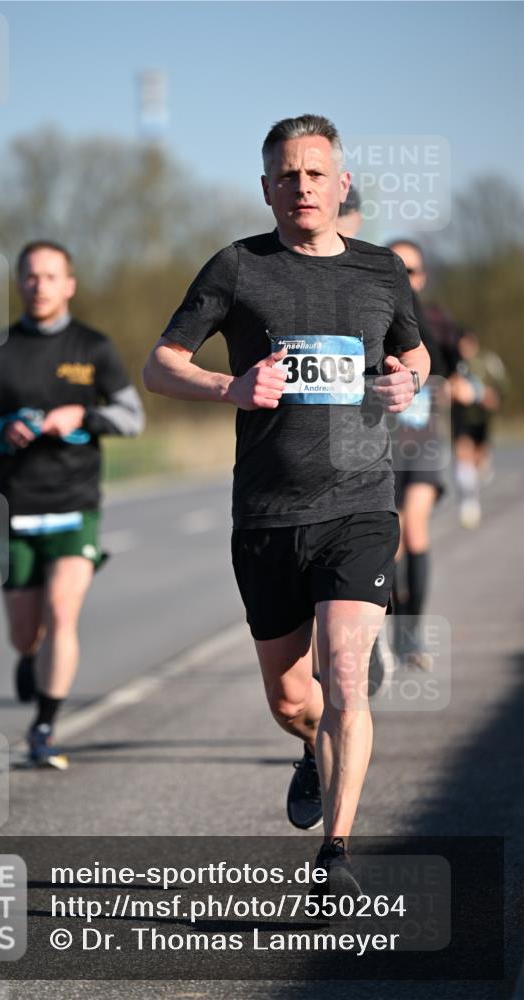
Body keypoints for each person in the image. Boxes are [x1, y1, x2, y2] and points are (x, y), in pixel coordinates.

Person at [144, 115, 429, 885]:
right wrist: (227, 386)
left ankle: (334, 853)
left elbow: (414, 350)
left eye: (315, 172)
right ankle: (309, 747)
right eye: (286, 175)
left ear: (340, 183)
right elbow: (160, 365)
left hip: (359, 505)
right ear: (266, 188)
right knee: (290, 698)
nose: (301, 186)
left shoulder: (379, 270)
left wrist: (411, 379)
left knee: (344, 672)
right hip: (268, 514)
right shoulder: (236, 268)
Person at [0, 241, 144, 768]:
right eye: (31, 276)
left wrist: (83, 418)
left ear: (70, 284)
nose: (40, 285)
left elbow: (133, 417)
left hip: (75, 503)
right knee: (25, 631)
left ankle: (44, 726)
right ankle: (28, 656)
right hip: (14, 505)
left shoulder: (94, 348)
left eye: (50, 276)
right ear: (19, 284)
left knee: (63, 612)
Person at [386, 240, 453, 668]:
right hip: (382, 447)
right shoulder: (374, 318)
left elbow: (455, 376)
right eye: (397, 270)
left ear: (422, 277)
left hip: (424, 445)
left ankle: (412, 637)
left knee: (416, 534)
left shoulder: (434, 323)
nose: (405, 280)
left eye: (411, 272)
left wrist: (451, 386)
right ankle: (390, 635)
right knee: (389, 543)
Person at [452, 330, 507, 528]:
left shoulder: (488, 361)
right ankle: (469, 503)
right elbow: (445, 385)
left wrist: (490, 397)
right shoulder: (455, 363)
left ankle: (479, 473)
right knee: (462, 455)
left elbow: (501, 388)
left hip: (481, 420)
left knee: (479, 462)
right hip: (461, 419)